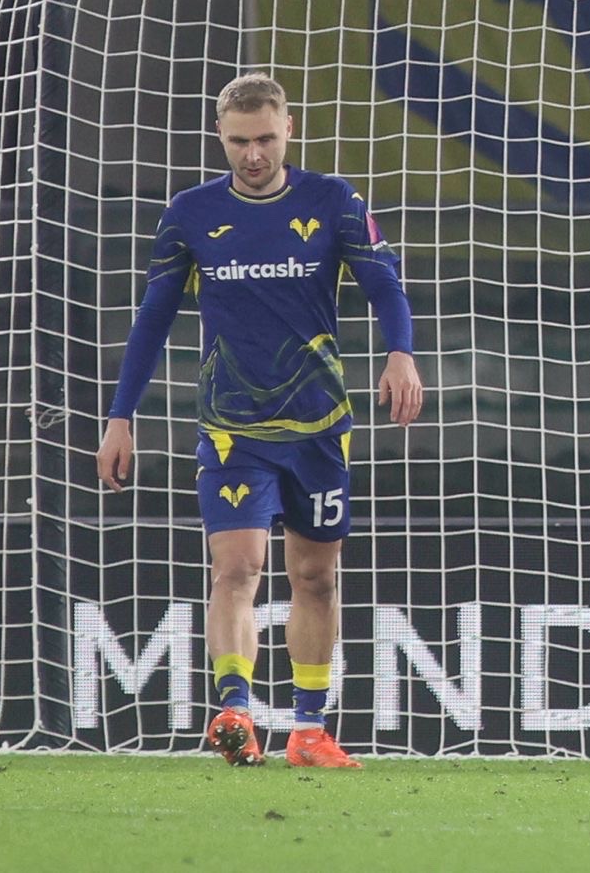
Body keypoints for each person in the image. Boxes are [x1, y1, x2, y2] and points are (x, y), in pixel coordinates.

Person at [95, 72, 423, 769]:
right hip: (231, 427)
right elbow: (153, 320)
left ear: (289, 128)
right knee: (238, 567)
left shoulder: (332, 201)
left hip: (319, 426)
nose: (253, 154)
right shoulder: (190, 213)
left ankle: (308, 730)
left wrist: (401, 355)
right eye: (241, 141)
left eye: (266, 138)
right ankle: (234, 711)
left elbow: (385, 284)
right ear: (220, 135)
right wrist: (120, 416)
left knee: (316, 578)